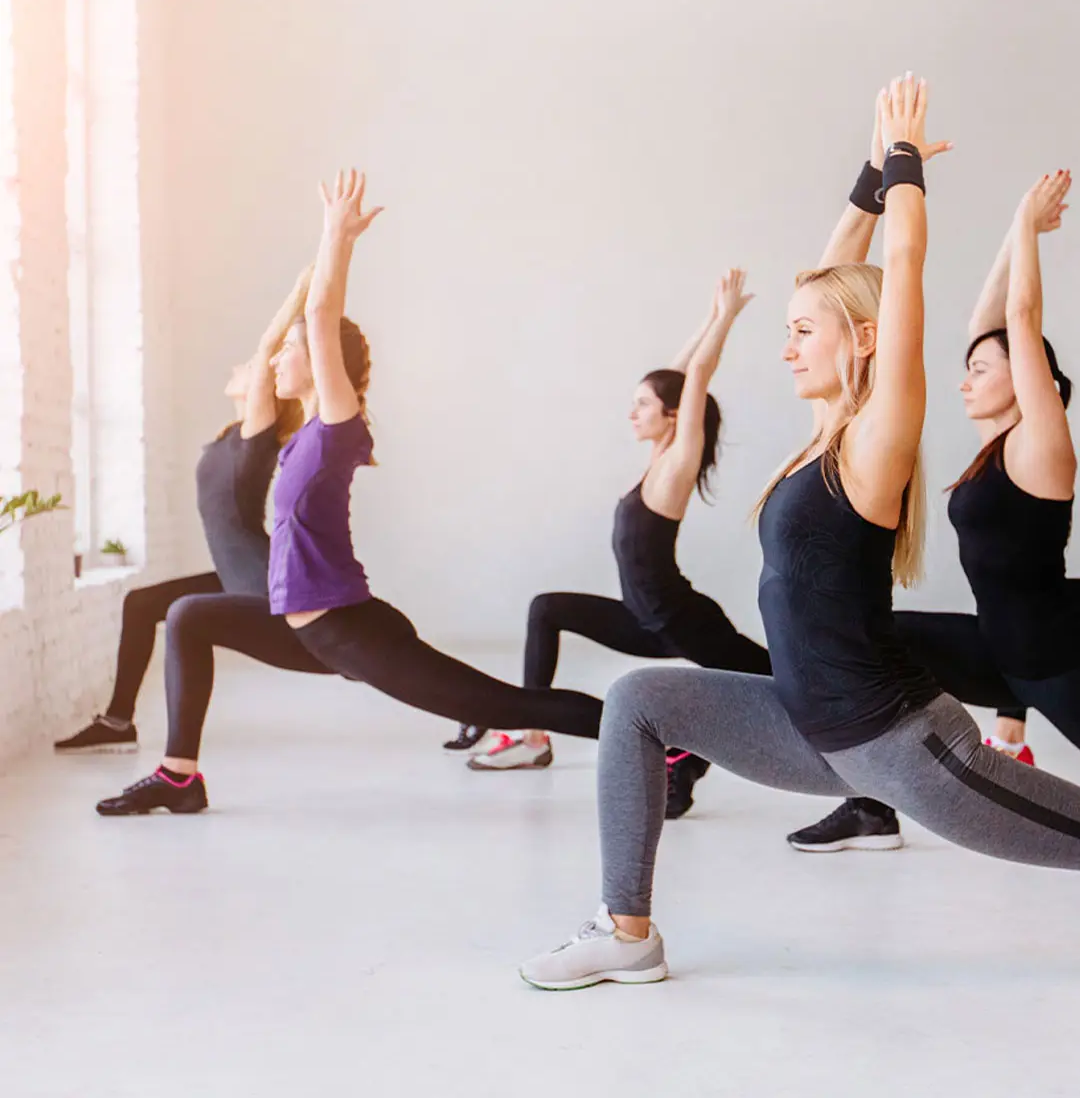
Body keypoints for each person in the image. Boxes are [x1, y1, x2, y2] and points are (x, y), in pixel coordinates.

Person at [519, 76, 1080, 991]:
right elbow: (835, 272)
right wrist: (866, 175)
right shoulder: (823, 434)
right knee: (636, 700)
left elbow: (900, 277)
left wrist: (903, 164)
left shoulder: (875, 437)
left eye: (801, 333)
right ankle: (626, 931)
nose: (784, 347)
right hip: (808, 728)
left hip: (908, 751)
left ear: (860, 342)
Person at [97, 171, 604, 816]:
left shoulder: (337, 427)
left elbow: (320, 314)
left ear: (319, 359)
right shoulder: (304, 434)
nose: (277, 360)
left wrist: (336, 238)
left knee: (506, 704)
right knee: (190, 615)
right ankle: (179, 777)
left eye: (289, 352)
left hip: (350, 632)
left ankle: (663, 736)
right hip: (301, 628)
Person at [791, 166, 1078, 852]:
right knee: (880, 639)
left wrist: (1026, 229)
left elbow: (1019, 320)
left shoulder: (1044, 446)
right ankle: (870, 807)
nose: (965, 378)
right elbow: (991, 323)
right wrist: (1015, 229)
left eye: (983, 370)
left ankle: (1016, 719)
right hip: (996, 650)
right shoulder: (994, 442)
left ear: (1027, 376)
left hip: (1054, 662)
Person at [461, 272, 769, 822]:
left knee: (780, 681)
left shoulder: (677, 464)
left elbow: (692, 377)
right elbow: (679, 375)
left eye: (643, 404)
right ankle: (535, 733)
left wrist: (725, 319)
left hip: (680, 621)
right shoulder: (658, 459)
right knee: (546, 608)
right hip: (641, 618)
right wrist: (707, 316)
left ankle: (691, 761)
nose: (632, 412)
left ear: (674, 417)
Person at [55, 270, 316, 756]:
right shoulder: (228, 436)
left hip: (257, 579)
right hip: (236, 573)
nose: (242, 367)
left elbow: (264, 352)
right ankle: (118, 721)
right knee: (142, 604)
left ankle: (470, 708)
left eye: (252, 368)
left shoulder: (254, 439)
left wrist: (306, 283)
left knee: (353, 658)